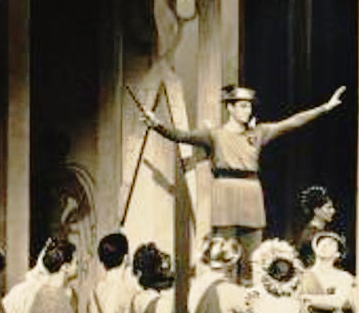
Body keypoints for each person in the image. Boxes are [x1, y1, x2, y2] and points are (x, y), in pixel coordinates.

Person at [141, 83, 346, 270]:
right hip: (224, 191)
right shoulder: (214, 134)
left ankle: (249, 294)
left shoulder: (258, 133)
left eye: (249, 106)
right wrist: (157, 125)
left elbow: (292, 123)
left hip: (251, 192)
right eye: (242, 106)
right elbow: (181, 136)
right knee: (224, 255)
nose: (247, 110)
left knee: (253, 258)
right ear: (230, 107)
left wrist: (325, 107)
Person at [292, 185, 337, 267]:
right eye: (328, 207)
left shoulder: (323, 231)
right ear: (317, 210)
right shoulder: (310, 235)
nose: (333, 211)